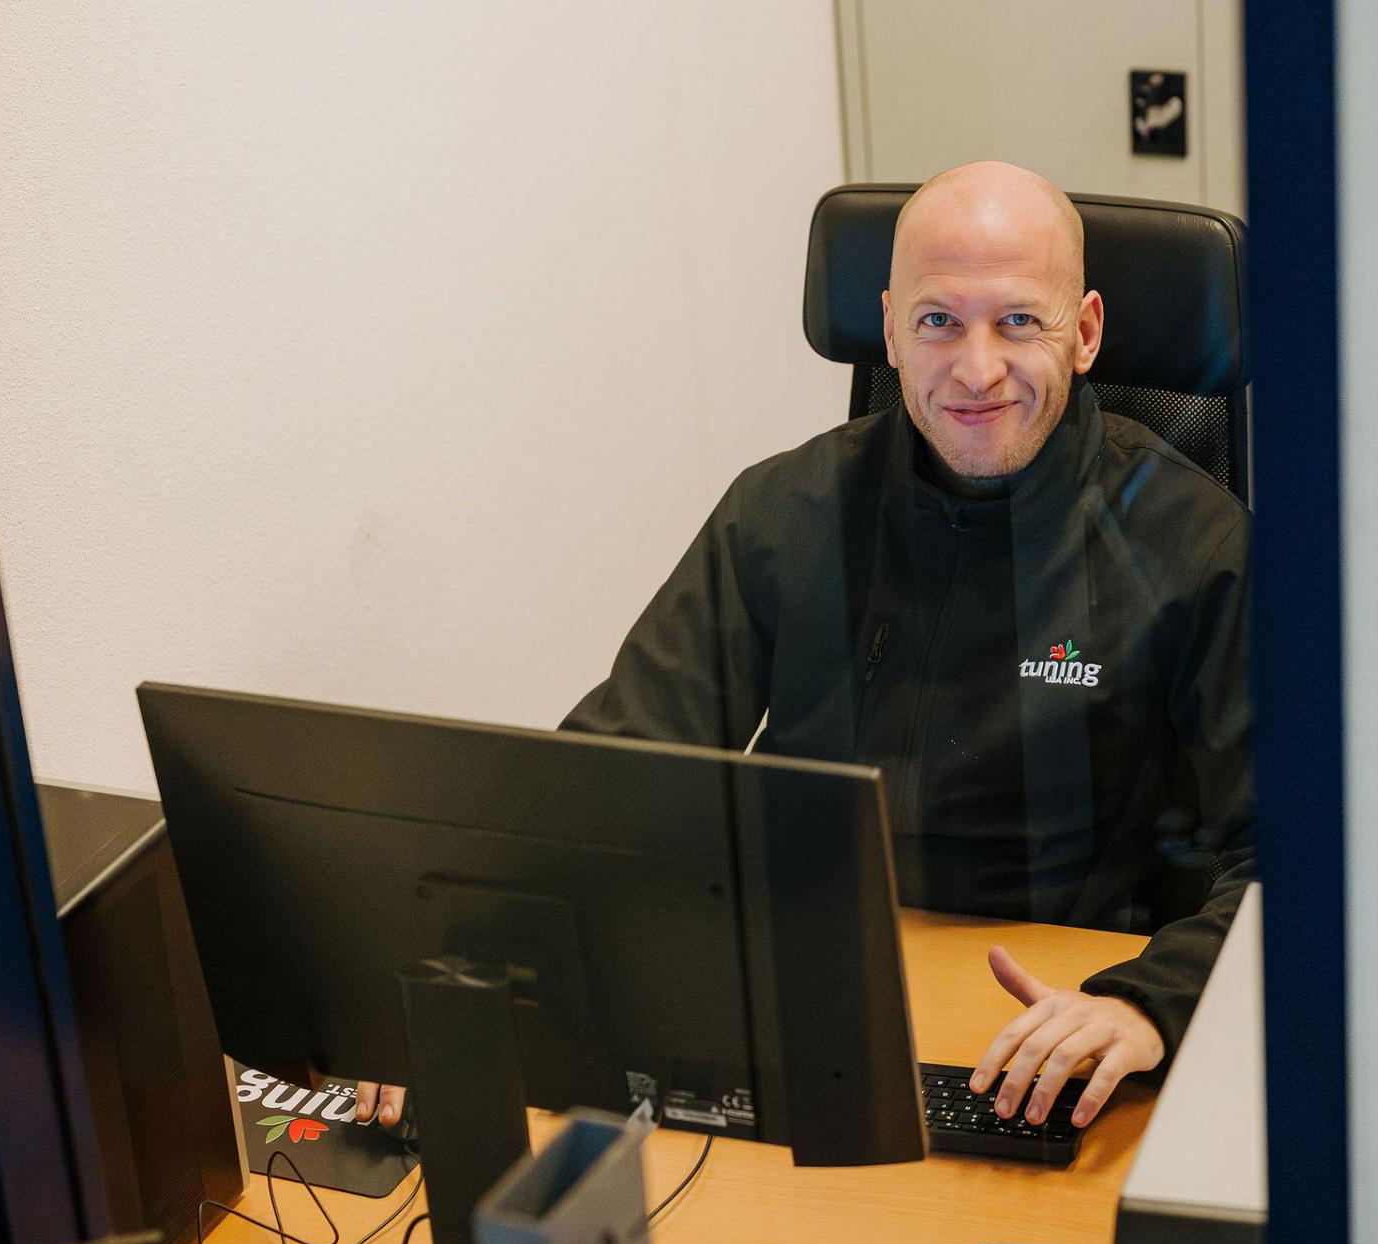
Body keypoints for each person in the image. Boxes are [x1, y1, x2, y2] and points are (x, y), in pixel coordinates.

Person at [358, 161, 1250, 1134]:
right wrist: (463, 975)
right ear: (890, 331)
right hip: (798, 1013)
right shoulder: (785, 512)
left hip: (1052, 1028)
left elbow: (1293, 849)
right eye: (938, 320)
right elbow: (612, 771)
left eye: (1017, 322)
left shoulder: (1193, 541)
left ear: (1083, 333)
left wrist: (1145, 1002)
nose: (976, 366)